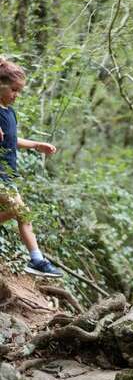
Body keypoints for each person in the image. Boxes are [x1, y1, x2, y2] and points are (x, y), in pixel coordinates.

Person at [0, 57, 62, 278]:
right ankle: (36, 259)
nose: (16, 95)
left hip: (7, 175)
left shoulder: (9, 112)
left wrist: (36, 145)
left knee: (22, 215)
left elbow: (11, 139)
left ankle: (36, 259)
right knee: (23, 213)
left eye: (19, 91)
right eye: (14, 90)